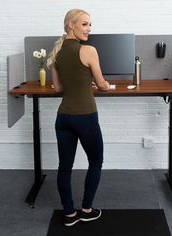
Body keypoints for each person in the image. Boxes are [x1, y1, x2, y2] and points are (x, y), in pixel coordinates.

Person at [47, 9, 110, 226]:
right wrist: (104, 86)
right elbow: (102, 86)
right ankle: (86, 208)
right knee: (96, 161)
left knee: (65, 167)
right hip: (85, 117)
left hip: (63, 118)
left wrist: (84, 84)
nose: (89, 29)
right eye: (84, 24)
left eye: (90, 24)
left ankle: (69, 214)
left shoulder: (56, 53)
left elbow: (58, 88)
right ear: (71, 25)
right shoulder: (89, 50)